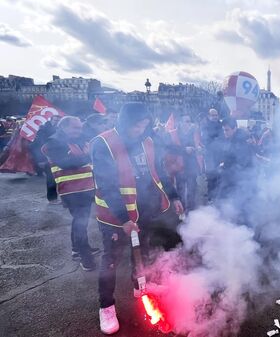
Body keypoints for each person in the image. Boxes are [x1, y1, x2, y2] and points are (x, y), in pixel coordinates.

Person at [91, 103, 184, 335]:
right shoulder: (103, 143)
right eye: (136, 125)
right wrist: (123, 218)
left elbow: (158, 173)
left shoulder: (148, 141)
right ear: (124, 122)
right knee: (111, 260)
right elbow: (107, 184)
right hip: (115, 217)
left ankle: (139, 285)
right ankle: (106, 306)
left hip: (145, 211)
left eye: (144, 125)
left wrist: (173, 196)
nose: (140, 130)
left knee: (141, 251)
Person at [42, 116, 99, 270]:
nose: (79, 131)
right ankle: (85, 257)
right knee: (80, 223)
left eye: (80, 128)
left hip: (84, 189)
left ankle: (78, 249)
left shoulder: (76, 141)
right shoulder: (53, 143)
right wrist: (87, 156)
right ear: (64, 127)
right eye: (75, 128)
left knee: (81, 221)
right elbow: (67, 163)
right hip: (71, 190)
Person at [217, 117, 257, 214]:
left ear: (234, 128)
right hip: (235, 179)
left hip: (241, 181)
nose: (225, 132)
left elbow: (242, 163)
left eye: (227, 130)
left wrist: (225, 166)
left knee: (241, 207)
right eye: (224, 130)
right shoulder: (234, 139)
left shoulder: (240, 141)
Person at [166, 113, 204, 211]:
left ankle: (191, 212)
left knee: (192, 190)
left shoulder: (194, 133)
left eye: (189, 121)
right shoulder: (173, 133)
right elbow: (169, 148)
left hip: (192, 165)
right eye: (186, 121)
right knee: (180, 190)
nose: (189, 124)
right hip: (179, 166)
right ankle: (181, 212)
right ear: (180, 122)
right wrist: (184, 149)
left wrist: (200, 147)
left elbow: (200, 144)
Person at [31, 115, 62, 203]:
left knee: (58, 178)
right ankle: (52, 198)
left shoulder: (58, 130)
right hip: (46, 158)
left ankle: (59, 196)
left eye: (58, 120)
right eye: (55, 120)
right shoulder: (43, 130)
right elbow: (38, 146)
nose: (56, 122)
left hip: (57, 157)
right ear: (51, 120)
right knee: (51, 179)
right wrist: (40, 160)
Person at [201, 108, 224, 202]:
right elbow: (205, 141)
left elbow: (224, 138)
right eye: (212, 115)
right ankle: (210, 198)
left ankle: (219, 197)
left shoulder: (221, 125)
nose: (214, 117)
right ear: (208, 116)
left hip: (220, 155)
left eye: (216, 115)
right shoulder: (205, 126)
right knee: (211, 177)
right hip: (210, 156)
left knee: (220, 176)